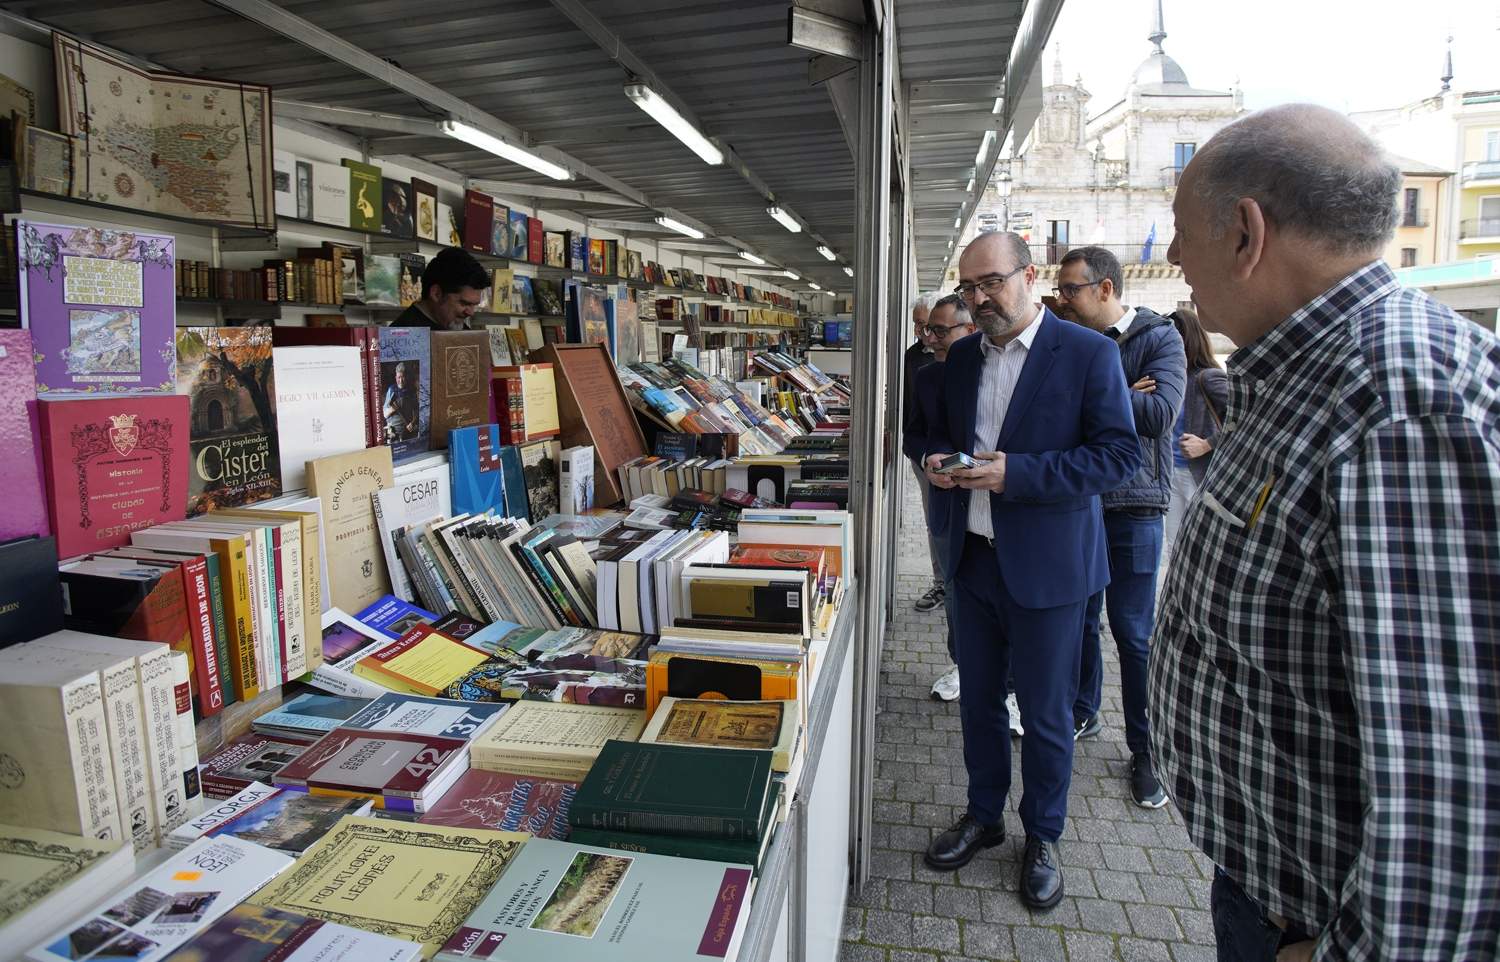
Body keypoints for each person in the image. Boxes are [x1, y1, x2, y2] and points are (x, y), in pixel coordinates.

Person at [1154, 104, 1500, 961]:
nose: (1172, 259)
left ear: (1245, 233)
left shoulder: (1395, 403)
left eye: (1179, 232)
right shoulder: (1312, 372)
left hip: (1314, 932)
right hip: (1275, 894)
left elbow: (1451, 774)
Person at [919, 231, 1138, 910]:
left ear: (1029, 274)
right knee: (979, 704)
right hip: (973, 561)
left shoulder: (1088, 354)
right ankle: (984, 816)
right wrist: (936, 460)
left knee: (1045, 716)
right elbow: (935, 434)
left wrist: (1017, 474)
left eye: (992, 282)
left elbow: (1117, 457)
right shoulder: (959, 362)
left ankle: (1042, 836)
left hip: (1049, 570)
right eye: (970, 287)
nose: (980, 298)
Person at [1051, 246, 1185, 809]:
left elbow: (1160, 416)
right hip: (1081, 502)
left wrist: (1101, 397)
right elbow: (1053, 411)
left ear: (1105, 289)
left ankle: (1146, 750)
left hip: (1134, 507)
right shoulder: (1067, 338)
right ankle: (1084, 714)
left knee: (1134, 633)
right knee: (1082, 620)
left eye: (1072, 290)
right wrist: (1123, 393)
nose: (1062, 300)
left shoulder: (1160, 339)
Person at [901, 296, 987, 708]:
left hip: (998, 510)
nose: (929, 337)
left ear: (971, 331)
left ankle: (1006, 684)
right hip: (950, 507)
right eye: (927, 329)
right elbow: (914, 434)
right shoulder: (929, 376)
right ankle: (962, 665)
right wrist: (926, 458)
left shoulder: (996, 375)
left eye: (939, 331)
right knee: (955, 592)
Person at [1161, 306, 1226, 561]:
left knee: (1203, 549)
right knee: (1174, 548)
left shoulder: (1208, 378)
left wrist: (1208, 444)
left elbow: (1251, 418)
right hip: (1170, 474)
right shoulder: (1169, 378)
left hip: (1198, 475)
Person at [902, 293, 945, 615]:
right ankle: (941, 582)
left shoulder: (966, 355)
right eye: (917, 324)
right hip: (925, 454)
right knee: (934, 520)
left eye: (928, 324)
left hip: (962, 456)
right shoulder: (913, 357)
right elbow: (909, 411)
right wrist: (917, 454)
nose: (922, 331)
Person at [391, 246, 490, 330]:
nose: (471, 312)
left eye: (474, 305)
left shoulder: (463, 331)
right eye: (464, 303)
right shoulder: (399, 337)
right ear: (436, 294)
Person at [383, 361, 418, 440]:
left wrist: (413, 423)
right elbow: (385, 414)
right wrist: (392, 409)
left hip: (407, 432)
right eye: (399, 377)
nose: (401, 380)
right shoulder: (391, 390)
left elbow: (416, 410)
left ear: (406, 377)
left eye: (403, 377)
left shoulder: (411, 390)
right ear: (395, 378)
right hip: (393, 432)